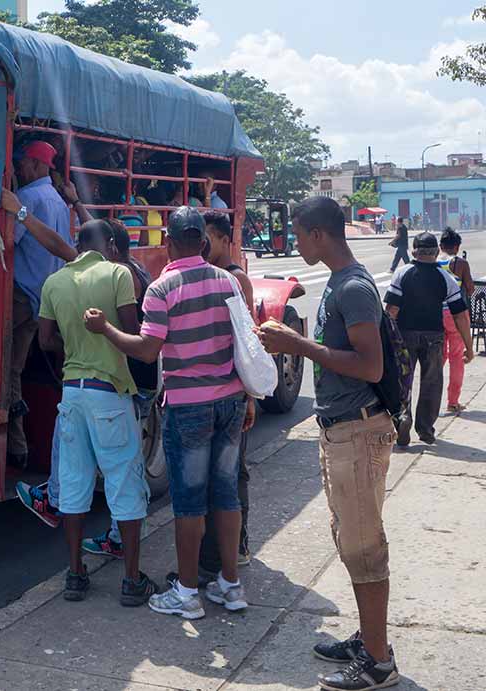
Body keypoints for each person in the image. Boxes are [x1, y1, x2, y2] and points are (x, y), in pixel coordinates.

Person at [256, 196, 398, 691]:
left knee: (364, 549)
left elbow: (370, 366)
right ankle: (370, 639)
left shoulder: (354, 288)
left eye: (298, 234)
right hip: (342, 428)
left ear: (318, 234)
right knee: (352, 542)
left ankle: (379, 663)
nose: (295, 243)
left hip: (358, 430)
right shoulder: (341, 284)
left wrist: (296, 346)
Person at [84, 207, 254, 621]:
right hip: (230, 401)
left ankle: (188, 592)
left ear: (169, 243)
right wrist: (248, 396)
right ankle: (231, 586)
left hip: (189, 406)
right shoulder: (228, 280)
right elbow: (243, 342)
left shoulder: (163, 289)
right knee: (226, 493)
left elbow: (147, 350)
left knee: (189, 501)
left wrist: (105, 329)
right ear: (203, 241)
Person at [38, 218, 156, 606]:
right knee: (124, 482)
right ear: (108, 243)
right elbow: (132, 334)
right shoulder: (117, 273)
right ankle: (132, 580)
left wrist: (74, 346)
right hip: (110, 393)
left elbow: (45, 339)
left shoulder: (54, 282)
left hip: (72, 395)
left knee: (73, 486)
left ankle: (74, 575)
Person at [4, 141, 77, 470]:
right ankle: (18, 446)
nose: (19, 168)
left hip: (20, 295)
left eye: (23, 163)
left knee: (3, 369)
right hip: (43, 300)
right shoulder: (60, 202)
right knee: (14, 368)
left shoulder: (27, 200)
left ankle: (15, 443)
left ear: (35, 164)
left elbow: (9, 243)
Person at [197, 212, 256, 575]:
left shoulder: (234, 278)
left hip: (232, 394)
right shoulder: (206, 276)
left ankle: (240, 545)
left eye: (207, 240)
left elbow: (246, 344)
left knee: (234, 473)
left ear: (222, 239)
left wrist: (249, 396)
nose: (202, 246)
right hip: (215, 395)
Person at [385, 231, 473, 446]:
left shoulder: (402, 273)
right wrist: (468, 347)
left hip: (405, 336)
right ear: (435, 252)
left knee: (402, 381)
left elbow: (391, 310)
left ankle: (402, 419)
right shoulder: (445, 278)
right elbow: (460, 315)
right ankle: (425, 429)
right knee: (432, 382)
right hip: (434, 337)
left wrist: (386, 340)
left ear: (414, 251)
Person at [439, 228, 475, 413]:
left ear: (440, 246)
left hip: (436, 316)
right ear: (457, 246)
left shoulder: (434, 262)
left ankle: (432, 398)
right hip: (456, 315)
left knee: (439, 358)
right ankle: (453, 401)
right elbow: (469, 288)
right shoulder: (460, 263)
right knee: (456, 358)